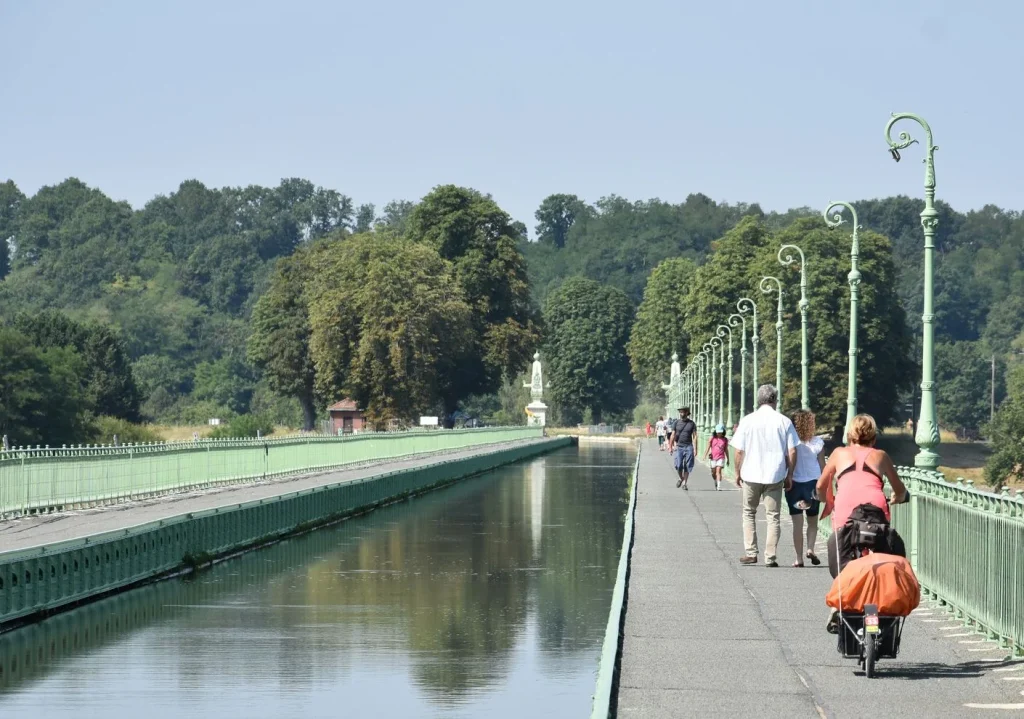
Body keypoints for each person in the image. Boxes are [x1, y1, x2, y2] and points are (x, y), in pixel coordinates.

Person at [815, 413, 908, 579]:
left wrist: (825, 499)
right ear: (873, 436)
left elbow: (821, 485)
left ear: (849, 435)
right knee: (888, 548)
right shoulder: (881, 456)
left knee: (841, 549)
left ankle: (843, 590)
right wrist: (899, 497)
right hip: (875, 511)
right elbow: (899, 489)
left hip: (846, 510)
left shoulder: (838, 453)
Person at [731, 384, 798, 567]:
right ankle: (770, 557)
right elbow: (792, 451)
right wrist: (790, 474)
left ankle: (751, 553)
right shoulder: (784, 421)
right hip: (775, 475)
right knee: (773, 516)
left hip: (751, 474)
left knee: (748, 513)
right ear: (774, 400)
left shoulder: (747, 420)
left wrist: (737, 472)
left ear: (758, 400)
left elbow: (738, 451)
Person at [785, 409, 825, 567]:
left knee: (797, 524)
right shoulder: (818, 443)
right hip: (813, 485)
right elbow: (823, 467)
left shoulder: (790, 442)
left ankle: (799, 558)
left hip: (794, 484)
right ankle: (810, 549)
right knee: (812, 521)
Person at [670, 407, 697, 490]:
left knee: (688, 465)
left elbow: (695, 436)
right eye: (680, 412)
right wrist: (670, 446)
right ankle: (681, 478)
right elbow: (673, 435)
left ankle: (684, 483)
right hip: (679, 446)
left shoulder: (692, 424)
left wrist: (695, 449)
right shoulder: (676, 423)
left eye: (682, 412)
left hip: (689, 446)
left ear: (687, 413)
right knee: (678, 465)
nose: (681, 413)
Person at [702, 423, 729, 491]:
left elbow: (726, 449)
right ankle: (715, 481)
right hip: (713, 457)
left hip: (721, 457)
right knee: (713, 472)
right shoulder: (712, 438)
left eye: (720, 432)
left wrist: (728, 458)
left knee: (718, 471)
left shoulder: (725, 440)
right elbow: (708, 447)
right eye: (718, 432)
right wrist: (704, 456)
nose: (719, 434)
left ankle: (719, 486)